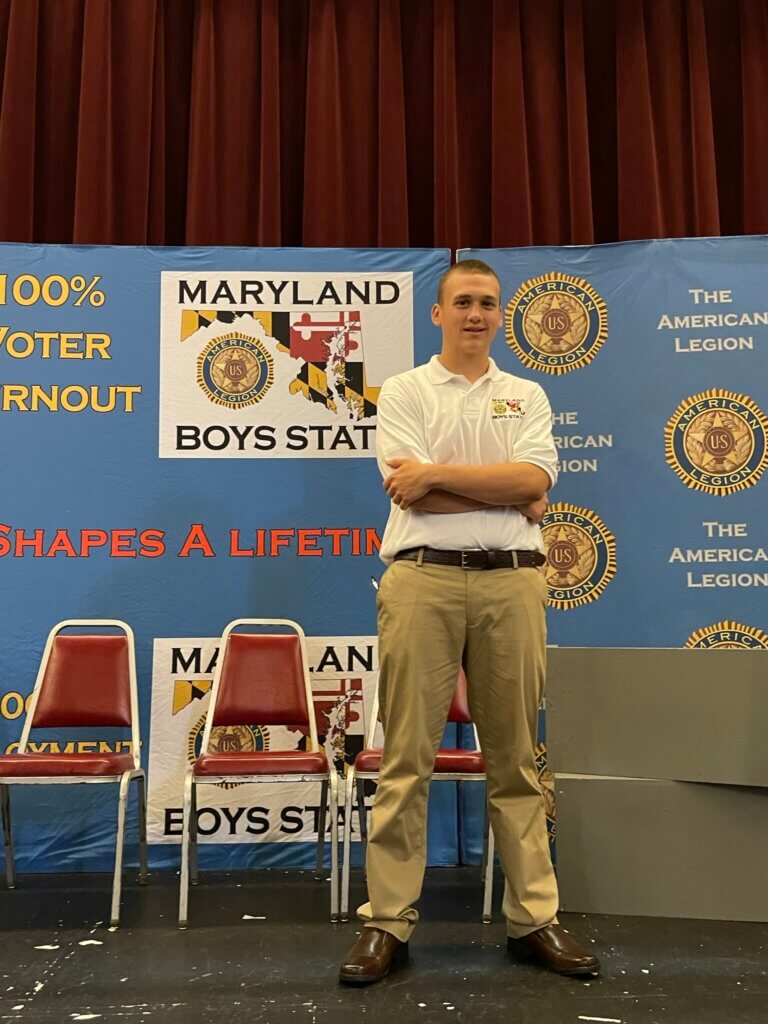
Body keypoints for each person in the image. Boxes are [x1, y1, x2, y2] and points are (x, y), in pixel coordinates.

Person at [338, 259, 600, 985]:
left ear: (499, 312)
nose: (475, 314)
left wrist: (453, 480)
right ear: (438, 313)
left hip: (511, 586)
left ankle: (534, 919)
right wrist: (507, 496)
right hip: (420, 579)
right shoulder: (407, 393)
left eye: (486, 302)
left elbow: (535, 484)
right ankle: (386, 923)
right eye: (462, 302)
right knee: (405, 761)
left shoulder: (527, 393)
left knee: (515, 760)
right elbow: (411, 496)